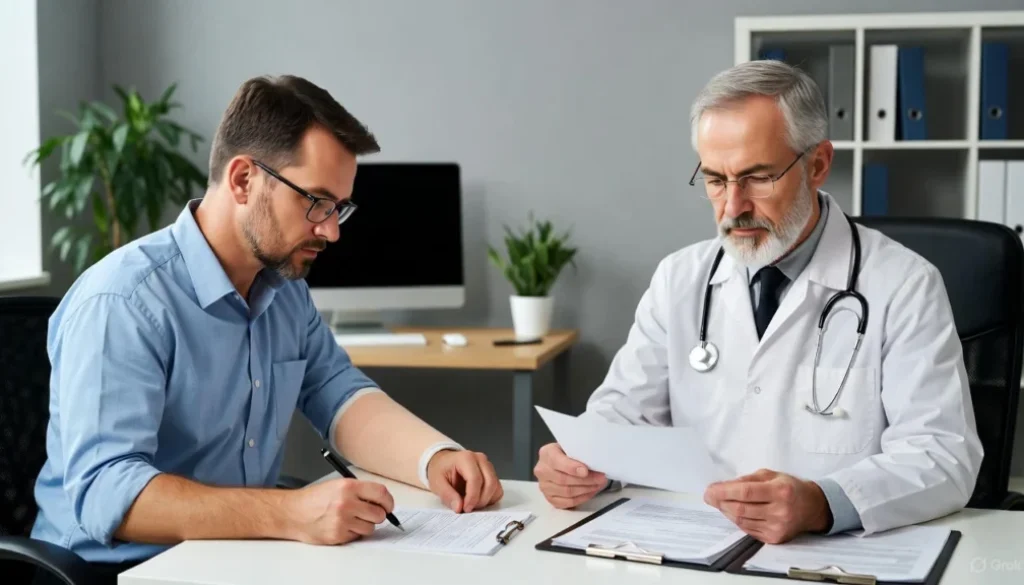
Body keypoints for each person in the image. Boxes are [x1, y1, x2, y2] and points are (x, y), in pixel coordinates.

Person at [31, 75, 503, 579]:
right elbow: (106, 492)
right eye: (317, 202)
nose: (332, 230)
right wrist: (292, 513)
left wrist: (434, 458)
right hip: (118, 574)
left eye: (340, 207)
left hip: (238, 559)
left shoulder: (282, 287)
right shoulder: (122, 302)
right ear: (242, 181)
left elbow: (338, 393)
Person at [534, 60, 983, 544]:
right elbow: (622, 417)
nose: (732, 207)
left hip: (831, 555)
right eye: (715, 179)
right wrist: (578, 462)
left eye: (758, 177)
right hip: (693, 544)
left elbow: (942, 455)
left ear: (817, 165)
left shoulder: (903, 284)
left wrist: (822, 503)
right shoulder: (680, 279)